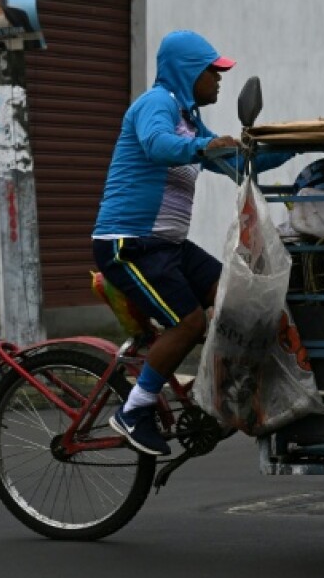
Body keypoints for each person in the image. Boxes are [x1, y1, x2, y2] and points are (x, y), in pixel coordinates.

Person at [92, 30, 292, 456]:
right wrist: (203, 146)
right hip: (129, 245)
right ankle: (134, 410)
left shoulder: (188, 118)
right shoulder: (156, 105)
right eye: (212, 72)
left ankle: (217, 393)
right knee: (190, 323)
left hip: (168, 245)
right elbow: (157, 145)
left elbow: (234, 162)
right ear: (187, 72)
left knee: (235, 299)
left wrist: (293, 145)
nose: (218, 81)